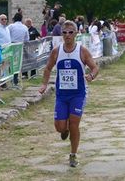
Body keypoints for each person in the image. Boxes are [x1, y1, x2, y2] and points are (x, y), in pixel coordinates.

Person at [39, 20, 99, 168]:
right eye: (64, 33)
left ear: (76, 34)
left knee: (74, 124)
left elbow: (95, 67)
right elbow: (47, 68)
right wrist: (44, 84)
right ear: (61, 34)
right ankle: (63, 129)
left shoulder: (82, 51)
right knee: (60, 127)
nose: (67, 35)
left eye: (70, 32)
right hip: (61, 94)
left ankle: (73, 154)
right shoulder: (56, 51)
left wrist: (91, 76)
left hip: (78, 94)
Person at [8, 12, 29, 86]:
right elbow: (27, 39)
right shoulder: (25, 27)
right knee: (17, 63)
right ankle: (15, 79)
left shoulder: (11, 26)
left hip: (11, 45)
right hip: (20, 46)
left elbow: (7, 36)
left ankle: (11, 78)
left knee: (10, 62)